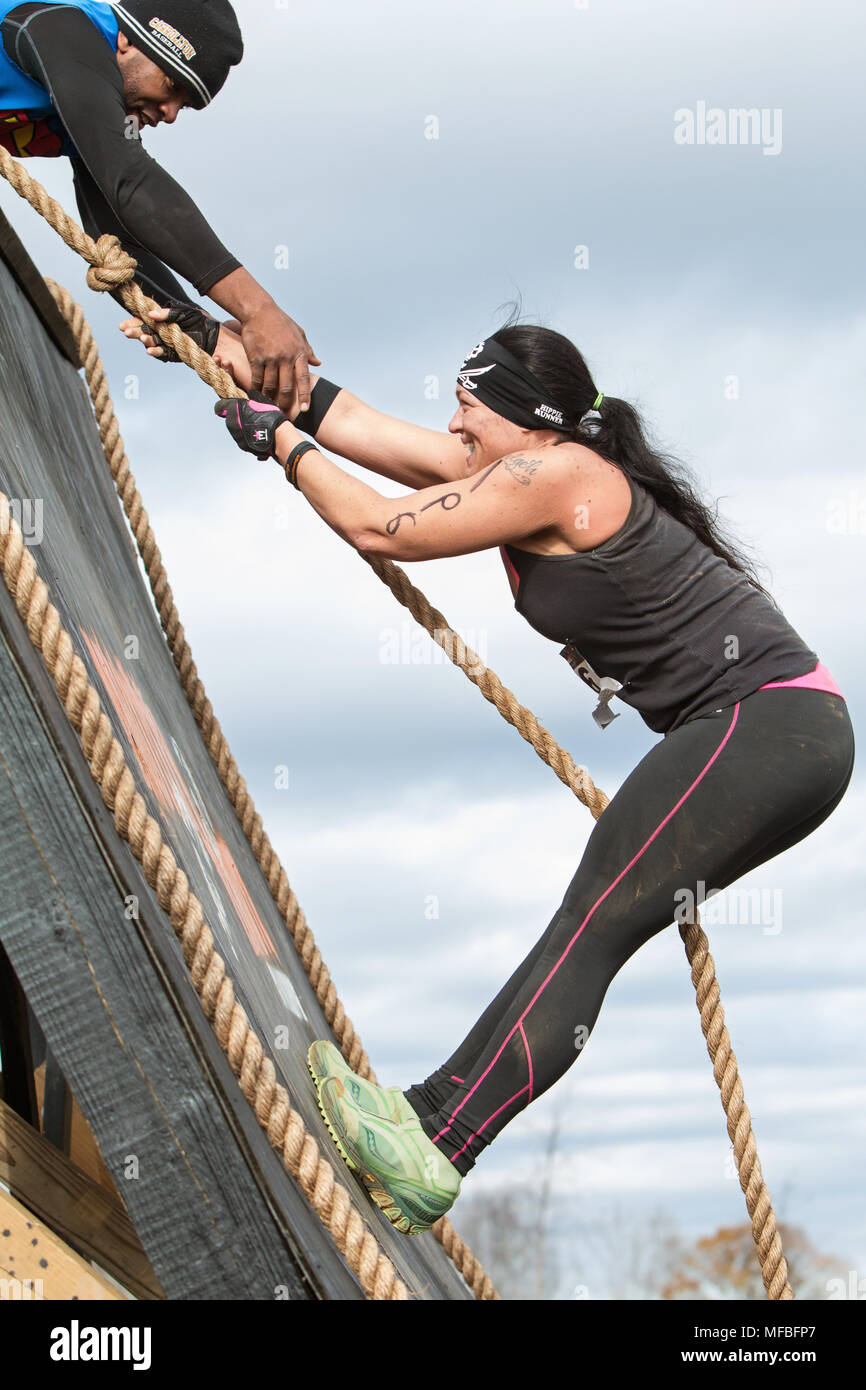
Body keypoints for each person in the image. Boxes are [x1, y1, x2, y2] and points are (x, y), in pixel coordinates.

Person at [134, 310, 856, 1236]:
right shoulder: (521, 472)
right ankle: (431, 1119)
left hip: (767, 725)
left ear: (527, 417)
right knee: (589, 921)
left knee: (591, 924)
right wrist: (215, 341)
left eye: (469, 407)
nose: (454, 427)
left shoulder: (554, 475)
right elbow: (350, 422)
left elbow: (379, 527)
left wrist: (275, 441)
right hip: (781, 731)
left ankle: (439, 1139)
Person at [0, 0, 318, 409]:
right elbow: (130, 180)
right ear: (127, 40)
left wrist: (199, 329)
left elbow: (115, 238)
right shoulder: (59, 24)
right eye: (172, 86)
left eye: (183, 104)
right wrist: (259, 311)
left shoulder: (89, 96)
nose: (169, 115)